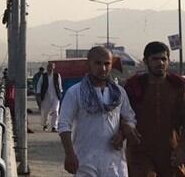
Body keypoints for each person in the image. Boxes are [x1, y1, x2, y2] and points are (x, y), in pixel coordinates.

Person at [58, 46, 138, 176]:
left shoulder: (119, 93)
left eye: (107, 64)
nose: (103, 68)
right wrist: (69, 154)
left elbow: (130, 118)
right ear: (88, 65)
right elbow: (63, 125)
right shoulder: (75, 92)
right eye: (98, 63)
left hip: (114, 162)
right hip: (85, 160)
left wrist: (123, 133)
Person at [124, 41, 185, 177]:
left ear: (168, 61)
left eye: (163, 59)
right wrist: (125, 126)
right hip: (140, 153)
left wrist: (182, 149)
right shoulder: (134, 87)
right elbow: (121, 116)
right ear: (145, 61)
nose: (160, 63)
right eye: (155, 59)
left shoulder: (178, 87)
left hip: (170, 151)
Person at [36, 62, 64, 131]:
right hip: (46, 96)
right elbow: (39, 85)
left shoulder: (57, 75)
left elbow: (59, 85)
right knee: (45, 112)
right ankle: (45, 125)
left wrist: (60, 94)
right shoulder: (43, 76)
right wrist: (38, 93)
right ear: (47, 68)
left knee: (56, 111)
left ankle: (54, 126)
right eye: (49, 67)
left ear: (53, 68)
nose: (50, 69)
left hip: (55, 96)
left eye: (51, 67)